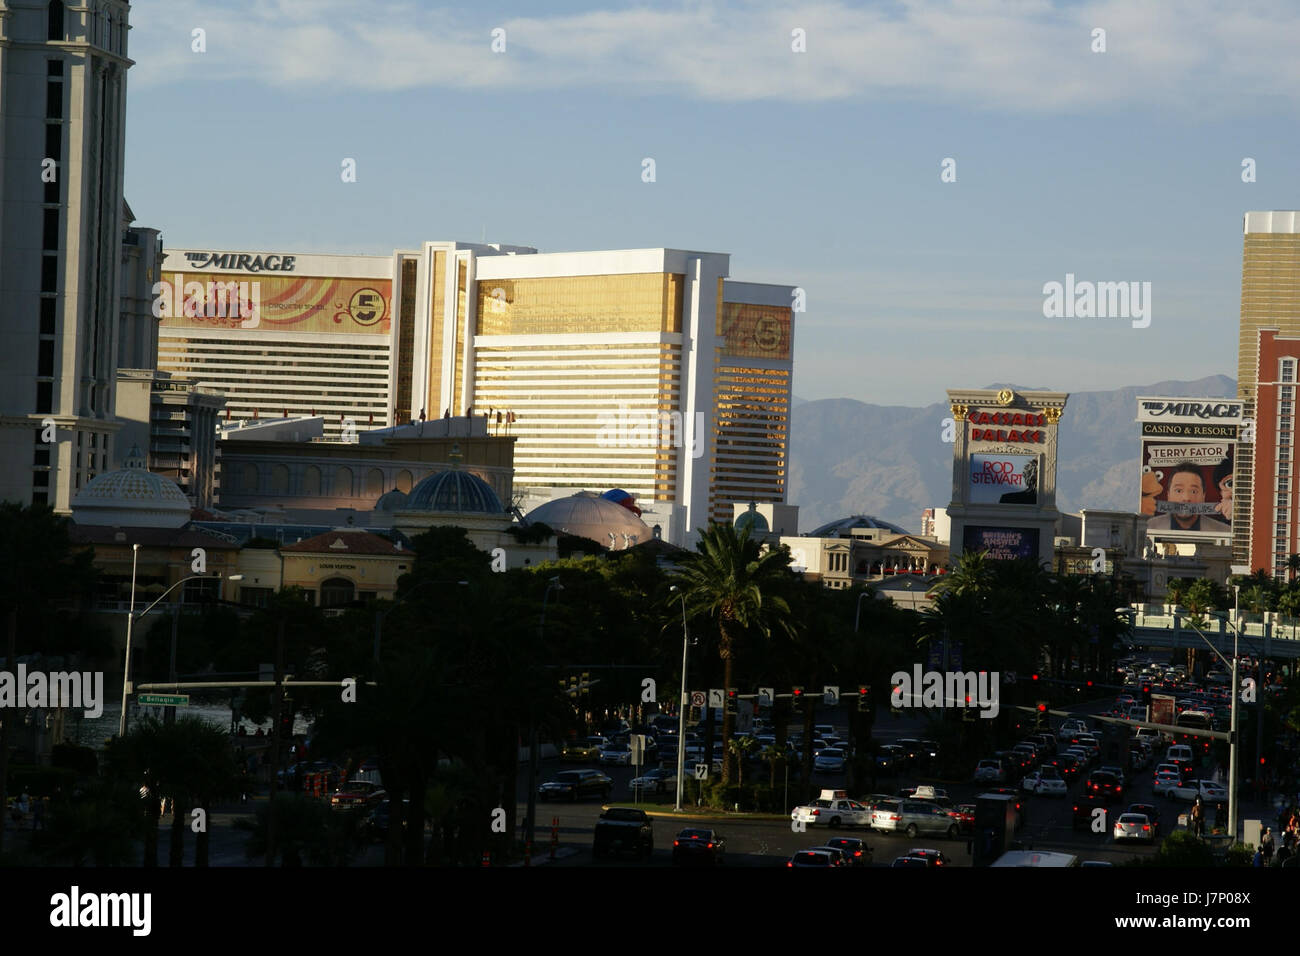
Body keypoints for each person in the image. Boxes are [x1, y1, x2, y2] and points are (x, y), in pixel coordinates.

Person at [1146, 462, 1231, 532]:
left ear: (1203, 496)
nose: (1186, 498)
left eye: (1193, 491)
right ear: (1168, 495)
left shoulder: (1224, 531)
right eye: (1178, 491)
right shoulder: (1149, 527)